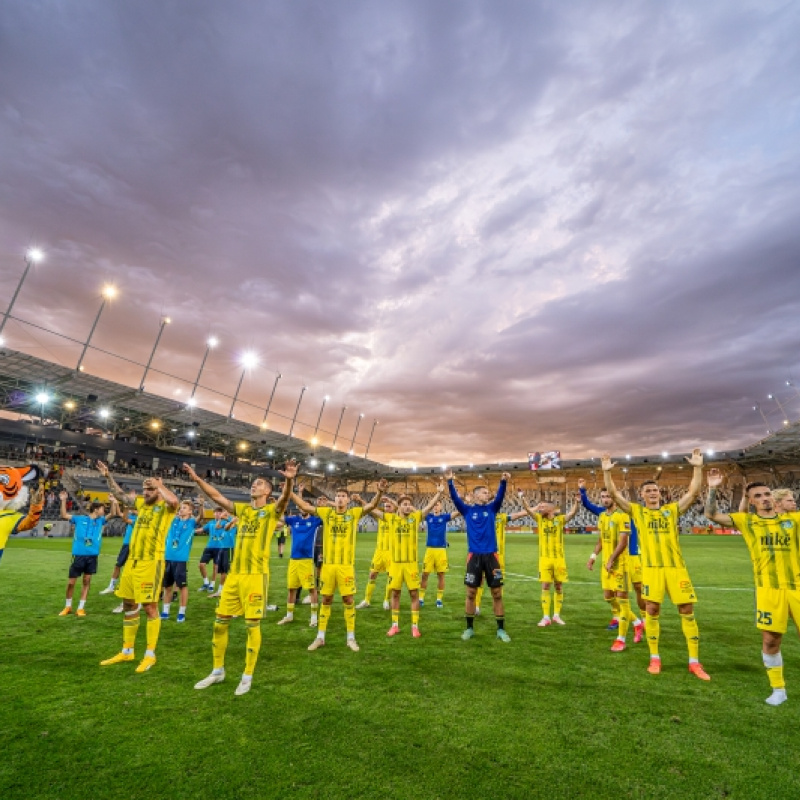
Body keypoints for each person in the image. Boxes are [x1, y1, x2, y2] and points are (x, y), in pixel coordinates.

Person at [187, 461, 296, 696]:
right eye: (253, 484)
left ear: (267, 491)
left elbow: (285, 499)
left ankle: (247, 676)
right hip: (235, 577)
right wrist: (197, 480)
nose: (253, 486)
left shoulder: (270, 511)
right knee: (219, 624)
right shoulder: (243, 511)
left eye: (258, 484)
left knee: (251, 626)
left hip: (256, 577)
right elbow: (218, 498)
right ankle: (218, 671)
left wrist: (289, 480)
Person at [602, 449, 709, 680]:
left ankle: (694, 662)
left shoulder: (671, 511)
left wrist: (698, 468)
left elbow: (693, 492)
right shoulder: (637, 512)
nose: (652, 493)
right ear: (641, 496)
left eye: (655, 490)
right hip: (651, 570)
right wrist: (607, 473)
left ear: (660, 494)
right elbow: (613, 494)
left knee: (687, 611)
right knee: (652, 611)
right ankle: (654, 657)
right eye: (648, 490)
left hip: (676, 569)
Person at [705, 471, 800, 704]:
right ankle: (778, 689)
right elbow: (711, 514)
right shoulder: (747, 521)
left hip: (797, 586)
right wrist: (713, 488)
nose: (765, 498)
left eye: (768, 494)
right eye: (758, 495)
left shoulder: (794, 519)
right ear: (751, 501)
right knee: (770, 640)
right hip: (767, 589)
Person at [97, 462, 178, 673]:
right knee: (128, 603)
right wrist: (108, 476)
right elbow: (122, 496)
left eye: (150, 489)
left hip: (151, 562)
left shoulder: (165, 508)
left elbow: (174, 500)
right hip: (133, 562)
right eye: (145, 489)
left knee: (150, 606)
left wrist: (159, 485)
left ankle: (150, 655)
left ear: (158, 490)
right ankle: (127, 651)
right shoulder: (142, 505)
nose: (146, 492)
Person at [294, 479, 388, 653]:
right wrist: (289, 488)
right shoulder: (326, 513)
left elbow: (372, 506)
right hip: (328, 567)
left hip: (345, 567)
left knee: (348, 600)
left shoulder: (353, 514)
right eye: (337, 496)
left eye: (343, 496)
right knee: (326, 600)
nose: (339, 498)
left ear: (348, 500)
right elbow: (305, 507)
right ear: (334, 499)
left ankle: (350, 637)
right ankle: (320, 637)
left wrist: (380, 492)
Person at [365, 486, 443, 638]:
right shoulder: (391, 518)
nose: (408, 506)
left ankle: (415, 626)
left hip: (411, 564)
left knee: (414, 594)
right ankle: (395, 625)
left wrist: (439, 492)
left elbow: (428, 507)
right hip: (395, 564)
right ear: (398, 507)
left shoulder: (415, 519)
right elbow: (370, 509)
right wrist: (379, 493)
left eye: (409, 504)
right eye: (405, 504)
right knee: (395, 594)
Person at [446, 470, 512, 642]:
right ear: (475, 496)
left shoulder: (492, 508)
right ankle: (469, 628)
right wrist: (450, 482)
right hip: (474, 556)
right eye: (484, 492)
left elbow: (500, 496)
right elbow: (455, 499)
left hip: (492, 556)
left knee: (497, 593)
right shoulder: (467, 510)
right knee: (470, 593)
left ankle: (501, 630)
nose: (487, 494)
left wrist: (503, 481)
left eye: (487, 492)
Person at [579, 479, 644, 648]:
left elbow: (623, 542)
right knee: (608, 597)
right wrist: (593, 556)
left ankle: (621, 639)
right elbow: (601, 540)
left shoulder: (623, 516)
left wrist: (611, 559)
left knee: (624, 600)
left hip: (620, 563)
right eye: (603, 497)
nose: (605, 499)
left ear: (615, 498)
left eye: (608, 496)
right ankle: (637, 622)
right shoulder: (602, 516)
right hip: (606, 563)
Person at [519, 495, 579, 627]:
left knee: (558, 586)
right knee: (545, 586)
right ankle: (546, 617)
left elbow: (572, 513)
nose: (540, 509)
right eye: (540, 507)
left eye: (543, 507)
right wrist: (523, 499)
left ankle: (556, 615)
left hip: (559, 560)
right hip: (544, 560)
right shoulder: (540, 519)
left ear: (551, 509)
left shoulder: (560, 520)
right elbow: (529, 511)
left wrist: (577, 502)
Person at [277, 487, 322, 627]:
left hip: (306, 560)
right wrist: (278, 504)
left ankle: (314, 617)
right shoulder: (293, 519)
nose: (304, 509)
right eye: (302, 506)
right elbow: (278, 518)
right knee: (291, 588)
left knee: (311, 589)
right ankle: (289, 615)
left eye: (307, 506)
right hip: (293, 560)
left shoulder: (315, 521)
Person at [58, 491, 105, 617]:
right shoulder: (79, 519)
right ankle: (68, 606)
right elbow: (63, 515)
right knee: (71, 582)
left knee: (87, 581)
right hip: (79, 555)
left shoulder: (101, 521)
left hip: (92, 556)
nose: (103, 511)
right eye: (102, 509)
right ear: (96, 510)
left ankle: (81, 608)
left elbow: (116, 514)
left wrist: (114, 502)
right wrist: (63, 500)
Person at [356, 497, 397, 610]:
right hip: (379, 552)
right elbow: (370, 508)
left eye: (389, 506)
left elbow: (400, 507)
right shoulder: (381, 518)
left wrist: (392, 500)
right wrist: (361, 500)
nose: (386, 508)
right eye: (385, 507)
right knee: (372, 575)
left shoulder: (397, 518)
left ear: (394, 508)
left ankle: (386, 600)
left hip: (391, 552)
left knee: (390, 576)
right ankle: (367, 600)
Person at [160, 500, 198, 622]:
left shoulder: (191, 522)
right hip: (168, 557)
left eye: (185, 508)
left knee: (182, 586)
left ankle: (181, 612)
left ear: (190, 511)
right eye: (181, 507)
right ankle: (165, 611)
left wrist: (201, 505)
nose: (181, 509)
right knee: (167, 586)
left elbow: (200, 517)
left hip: (180, 559)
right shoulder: (173, 520)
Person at [419, 500, 461, 609]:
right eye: (433, 505)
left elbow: (458, 512)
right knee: (424, 575)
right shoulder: (428, 517)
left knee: (441, 575)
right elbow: (416, 512)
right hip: (429, 550)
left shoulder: (445, 517)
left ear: (441, 506)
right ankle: (421, 598)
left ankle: (439, 599)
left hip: (441, 551)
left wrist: (465, 501)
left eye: (437, 504)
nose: (435, 507)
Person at [100, 493, 137, 596]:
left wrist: (130, 507)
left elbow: (127, 514)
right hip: (127, 543)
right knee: (118, 565)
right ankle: (111, 586)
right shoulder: (131, 515)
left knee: (133, 568)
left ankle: (129, 588)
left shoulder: (139, 516)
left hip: (136, 544)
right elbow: (120, 513)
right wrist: (115, 502)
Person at [209, 514, 237, 599]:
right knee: (222, 571)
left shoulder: (234, 520)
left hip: (229, 548)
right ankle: (221, 590)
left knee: (226, 570)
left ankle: (223, 591)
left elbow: (229, 527)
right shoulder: (225, 520)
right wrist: (221, 519)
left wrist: (230, 520)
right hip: (222, 547)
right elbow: (217, 527)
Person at [198, 508, 226, 592]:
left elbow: (219, 527)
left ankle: (212, 584)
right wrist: (191, 532)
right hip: (209, 546)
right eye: (216, 513)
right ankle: (206, 582)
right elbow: (202, 529)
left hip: (220, 547)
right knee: (201, 565)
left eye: (219, 513)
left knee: (215, 567)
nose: (217, 514)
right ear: (213, 514)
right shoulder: (210, 523)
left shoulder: (224, 523)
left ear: (222, 514)